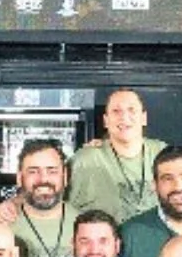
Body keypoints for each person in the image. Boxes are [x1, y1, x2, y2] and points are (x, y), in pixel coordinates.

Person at [69, 88, 166, 220]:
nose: (124, 117)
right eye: (116, 111)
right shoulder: (85, 160)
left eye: (131, 110)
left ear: (144, 118)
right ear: (106, 121)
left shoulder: (163, 155)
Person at [1, 139, 77, 257]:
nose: (43, 179)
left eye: (52, 171)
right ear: (19, 178)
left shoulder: (87, 225)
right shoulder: (1, 228)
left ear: (65, 177)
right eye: (33, 171)